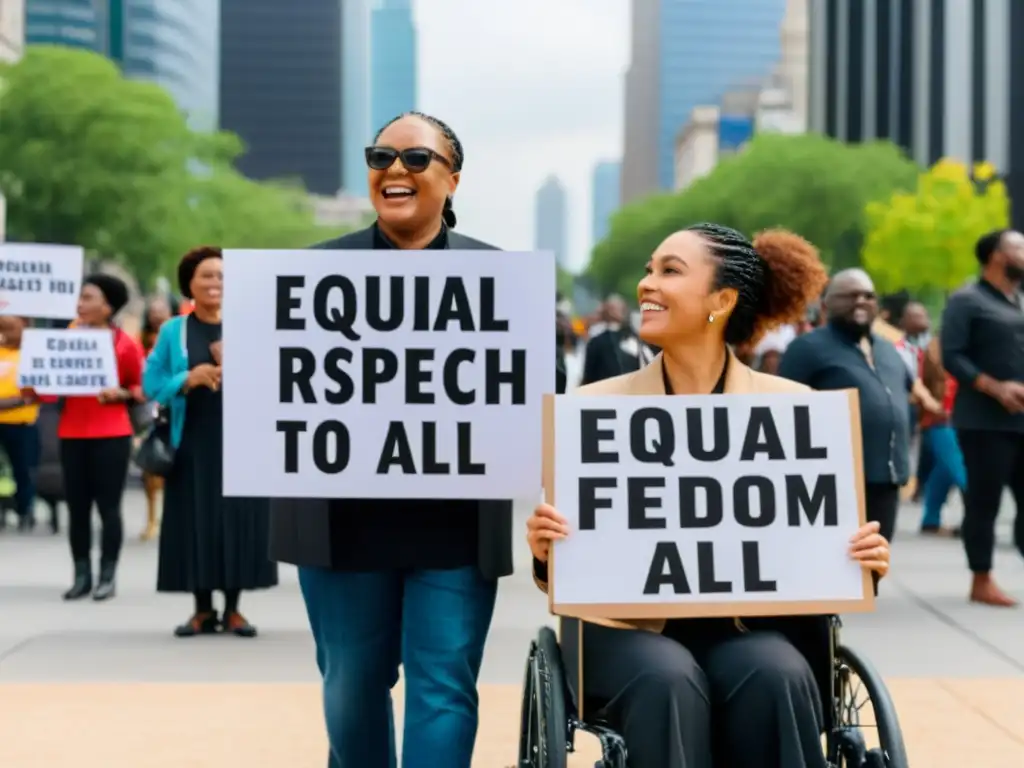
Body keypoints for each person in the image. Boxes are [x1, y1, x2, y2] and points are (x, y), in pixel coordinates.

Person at [526, 224, 891, 768]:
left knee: (779, 675)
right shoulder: (593, 408)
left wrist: (859, 559)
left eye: (669, 270)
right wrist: (544, 546)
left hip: (749, 625)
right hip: (626, 630)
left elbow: (812, 543)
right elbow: (571, 567)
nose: (647, 284)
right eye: (650, 269)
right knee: (667, 680)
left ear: (721, 300)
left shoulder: (795, 408)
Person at [270, 111, 516, 768]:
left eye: (415, 158)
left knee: (443, 690)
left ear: (453, 179)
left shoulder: (503, 280)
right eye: (382, 157)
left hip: (456, 529)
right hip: (340, 526)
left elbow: (536, 397)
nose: (395, 171)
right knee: (350, 687)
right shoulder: (309, 274)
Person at [144, 246, 278, 637]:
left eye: (222, 276)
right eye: (206, 276)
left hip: (243, 440)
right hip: (193, 439)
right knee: (196, 518)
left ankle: (234, 609)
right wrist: (188, 378)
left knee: (238, 519)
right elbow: (151, 384)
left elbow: (275, 379)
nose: (215, 283)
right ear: (190, 284)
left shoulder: (252, 325)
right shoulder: (174, 331)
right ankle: (202, 609)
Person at [778, 269, 942, 544]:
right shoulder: (806, 348)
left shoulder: (888, 349)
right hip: (833, 482)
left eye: (868, 296)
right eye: (850, 295)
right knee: (839, 566)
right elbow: (779, 407)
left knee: (875, 564)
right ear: (826, 305)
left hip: (886, 478)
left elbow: (906, 389)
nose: (861, 301)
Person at [37, 274, 145, 601]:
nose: (80, 304)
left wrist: (122, 392)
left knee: (108, 507)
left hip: (111, 433)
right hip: (72, 432)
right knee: (78, 508)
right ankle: (81, 574)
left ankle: (107, 575)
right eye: (80, 298)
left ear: (107, 306)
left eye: (87, 297)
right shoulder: (66, 338)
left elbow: (143, 389)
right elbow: (46, 381)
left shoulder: (124, 344)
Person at [941, 229, 1024, 606]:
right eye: (1019, 247)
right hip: (984, 422)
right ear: (995, 256)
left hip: (1020, 420)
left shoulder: (1018, 301)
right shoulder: (967, 300)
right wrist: (996, 388)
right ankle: (981, 579)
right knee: (985, 502)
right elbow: (952, 356)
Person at [918, 337, 965, 535]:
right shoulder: (932, 355)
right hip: (939, 422)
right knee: (961, 473)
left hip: (955, 422)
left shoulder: (962, 355)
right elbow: (917, 386)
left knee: (943, 474)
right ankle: (976, 521)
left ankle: (930, 520)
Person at [138, 296, 174, 541]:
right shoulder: (140, 342)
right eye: (153, 311)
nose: (157, 315)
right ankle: (152, 519)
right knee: (150, 469)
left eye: (162, 311)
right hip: (149, 413)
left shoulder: (178, 337)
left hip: (174, 411)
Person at [0, 316, 40, 531]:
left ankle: (25, 510)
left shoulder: (31, 355)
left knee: (23, 469)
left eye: (10, 328)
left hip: (21, 422)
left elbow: (35, 393)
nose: (5, 332)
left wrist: (13, 402)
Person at [580, 294, 652, 384]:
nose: (618, 312)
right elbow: (589, 376)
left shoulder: (635, 338)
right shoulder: (597, 342)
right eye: (613, 308)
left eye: (620, 308)